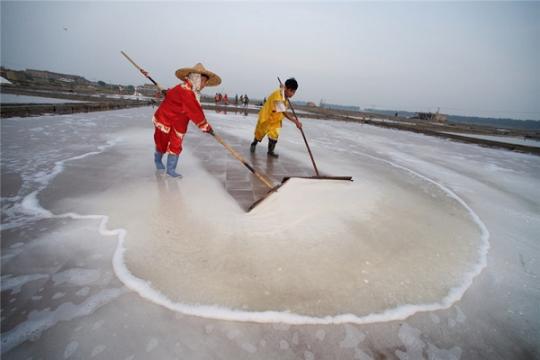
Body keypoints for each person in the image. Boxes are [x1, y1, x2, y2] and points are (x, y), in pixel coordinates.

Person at [152, 63, 221, 177]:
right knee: (161, 142)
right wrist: (206, 127)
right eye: (204, 81)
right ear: (196, 79)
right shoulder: (186, 91)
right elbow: (195, 112)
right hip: (165, 118)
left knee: (176, 144)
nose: (204, 85)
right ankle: (158, 160)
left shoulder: (191, 91)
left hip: (179, 121)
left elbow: (178, 98)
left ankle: (170, 169)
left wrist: (168, 92)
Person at [250, 78, 302, 158]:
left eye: (294, 92)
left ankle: (270, 151)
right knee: (259, 134)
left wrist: (283, 90)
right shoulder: (278, 96)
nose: (293, 94)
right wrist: (295, 121)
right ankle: (254, 143)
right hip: (266, 117)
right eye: (292, 91)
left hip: (276, 120)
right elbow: (284, 112)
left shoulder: (284, 94)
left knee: (274, 136)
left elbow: (283, 93)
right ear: (287, 89)